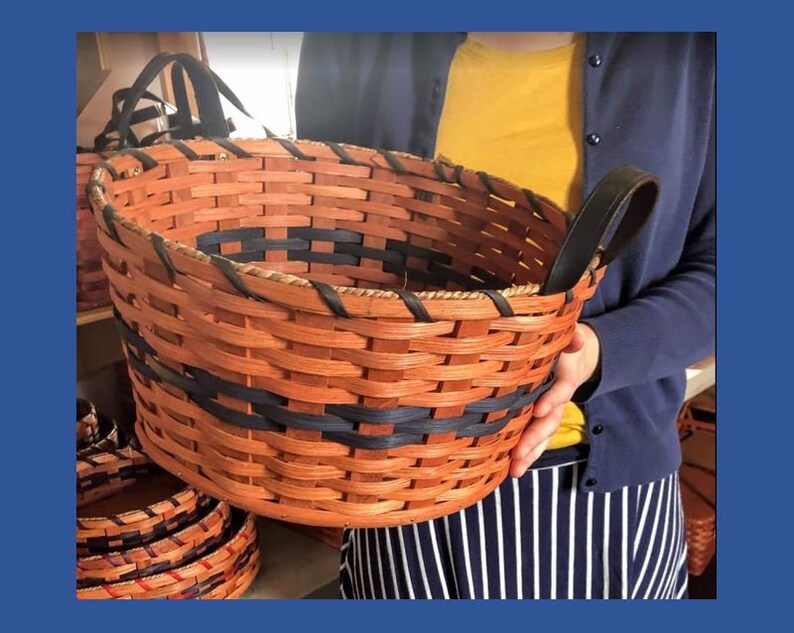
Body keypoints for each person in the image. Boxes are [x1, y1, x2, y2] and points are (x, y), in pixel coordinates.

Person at [294, 32, 715, 600]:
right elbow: (322, 242)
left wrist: (598, 351)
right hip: (394, 482)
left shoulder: (697, 49)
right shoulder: (352, 38)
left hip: (606, 492)